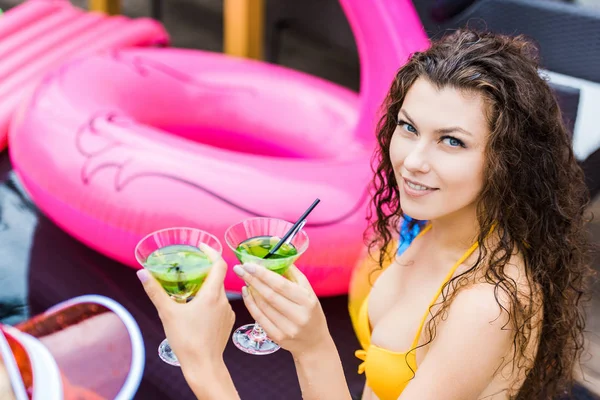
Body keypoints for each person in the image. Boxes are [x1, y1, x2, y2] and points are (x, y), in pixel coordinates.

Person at [137, 28, 594, 400]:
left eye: (451, 141)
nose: (413, 161)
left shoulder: (488, 304)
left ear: (507, 159)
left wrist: (203, 362)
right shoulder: (425, 225)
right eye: (408, 128)